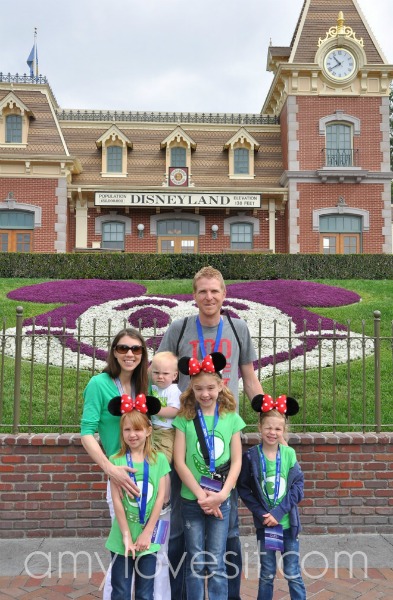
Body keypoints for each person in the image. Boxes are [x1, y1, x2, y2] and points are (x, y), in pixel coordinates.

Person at [157, 265, 264, 600]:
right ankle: (180, 594)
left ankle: (228, 594)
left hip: (223, 428)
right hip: (187, 429)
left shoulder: (237, 327)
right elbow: (159, 375)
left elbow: (249, 378)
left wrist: (267, 415)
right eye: (203, 291)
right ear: (194, 295)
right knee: (180, 522)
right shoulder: (180, 327)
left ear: (224, 294)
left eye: (214, 291)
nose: (209, 297)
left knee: (228, 527)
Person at [81, 328, 150, 600]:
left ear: (143, 354)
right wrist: (110, 469)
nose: (129, 354)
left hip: (150, 475)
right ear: (113, 352)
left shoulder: (146, 385)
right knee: (123, 547)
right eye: (122, 348)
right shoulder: (99, 384)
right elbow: (86, 432)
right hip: (119, 475)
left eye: (135, 349)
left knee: (148, 549)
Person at [172, 352, 245, 600]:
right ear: (191, 389)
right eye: (199, 388)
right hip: (192, 500)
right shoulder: (184, 419)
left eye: (210, 388)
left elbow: (237, 461)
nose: (205, 394)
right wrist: (202, 495)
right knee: (195, 561)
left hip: (222, 499)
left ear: (221, 385)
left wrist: (222, 495)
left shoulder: (231, 418)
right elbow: (180, 463)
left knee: (216, 562)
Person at [237, 394, 306, 600]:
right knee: (267, 573)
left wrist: (278, 512)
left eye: (277, 428)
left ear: (283, 430)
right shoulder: (250, 457)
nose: (272, 432)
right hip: (266, 525)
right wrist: (262, 513)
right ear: (259, 427)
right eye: (268, 427)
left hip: (287, 525)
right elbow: (244, 489)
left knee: (292, 572)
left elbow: (298, 487)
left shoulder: (289, 455)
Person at [105, 393, 170, 600]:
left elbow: (160, 498)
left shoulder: (159, 460)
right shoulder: (115, 461)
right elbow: (117, 500)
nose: (132, 434)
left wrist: (147, 533)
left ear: (148, 430)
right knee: (121, 590)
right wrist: (125, 535)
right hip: (121, 538)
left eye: (138, 429)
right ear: (121, 432)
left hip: (148, 538)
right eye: (127, 429)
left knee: (145, 592)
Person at [149, 351, 181, 600]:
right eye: (156, 372)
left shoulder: (173, 391)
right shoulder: (150, 387)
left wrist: (156, 408)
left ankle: (165, 498)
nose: (160, 377)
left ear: (175, 374)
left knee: (164, 466)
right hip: (151, 432)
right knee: (151, 466)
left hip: (167, 434)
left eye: (165, 373)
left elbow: (173, 412)